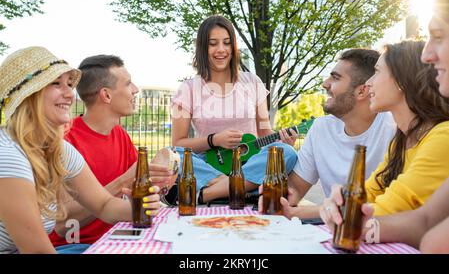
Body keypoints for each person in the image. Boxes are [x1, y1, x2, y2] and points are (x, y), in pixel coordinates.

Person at [321, 0, 449, 254]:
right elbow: (370, 198)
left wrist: (351, 219)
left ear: (402, 82)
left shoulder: (443, 137)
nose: (367, 85)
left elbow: (396, 210)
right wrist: (339, 207)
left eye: (376, 73)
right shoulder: (400, 142)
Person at [0, 47, 161, 254]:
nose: (69, 94)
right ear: (28, 95)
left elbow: (104, 206)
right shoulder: (8, 155)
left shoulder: (58, 150)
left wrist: (142, 208)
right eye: (56, 84)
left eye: (69, 84)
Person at [169, 15, 298, 204]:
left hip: (248, 162)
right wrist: (214, 140)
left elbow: (265, 132)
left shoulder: (252, 82)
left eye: (227, 43)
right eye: (213, 43)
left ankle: (207, 194)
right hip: (208, 164)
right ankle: (242, 188)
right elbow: (178, 143)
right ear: (203, 48)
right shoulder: (188, 88)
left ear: (234, 47)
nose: (221, 50)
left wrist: (285, 139)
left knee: (286, 152)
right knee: (173, 155)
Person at [47, 55, 170, 250]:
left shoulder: (120, 134)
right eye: (128, 84)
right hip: (74, 246)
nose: (136, 90)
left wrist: (158, 186)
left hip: (120, 235)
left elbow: (133, 193)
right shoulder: (65, 141)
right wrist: (124, 180)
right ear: (106, 95)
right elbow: (62, 224)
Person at [260, 49, 397, 219]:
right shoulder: (320, 128)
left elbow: (389, 206)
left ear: (362, 91)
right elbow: (295, 188)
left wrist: (298, 212)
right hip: (332, 229)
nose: (325, 83)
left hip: (377, 232)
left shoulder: (394, 130)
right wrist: (280, 196)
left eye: (336, 77)